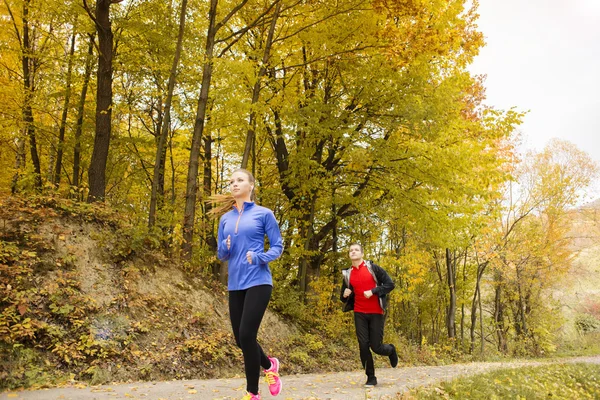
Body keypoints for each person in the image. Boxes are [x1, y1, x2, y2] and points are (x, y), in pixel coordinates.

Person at [216, 168, 284, 400]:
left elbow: (277, 246)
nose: (234, 184)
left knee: (247, 334)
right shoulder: (225, 218)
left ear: (251, 185)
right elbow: (221, 254)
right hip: (235, 284)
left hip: (258, 281)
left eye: (240, 180)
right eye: (232, 181)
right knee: (240, 340)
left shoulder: (264, 214)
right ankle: (269, 365)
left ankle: (252, 393)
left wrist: (260, 257)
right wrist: (225, 247)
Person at [340, 243, 398, 387]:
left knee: (376, 347)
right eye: (351, 250)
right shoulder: (348, 274)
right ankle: (371, 377)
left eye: (356, 250)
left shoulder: (373, 268)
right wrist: (345, 295)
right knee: (363, 345)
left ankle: (390, 350)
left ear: (362, 253)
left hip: (376, 312)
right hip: (359, 312)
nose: (353, 252)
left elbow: (390, 284)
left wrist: (373, 291)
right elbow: (344, 297)